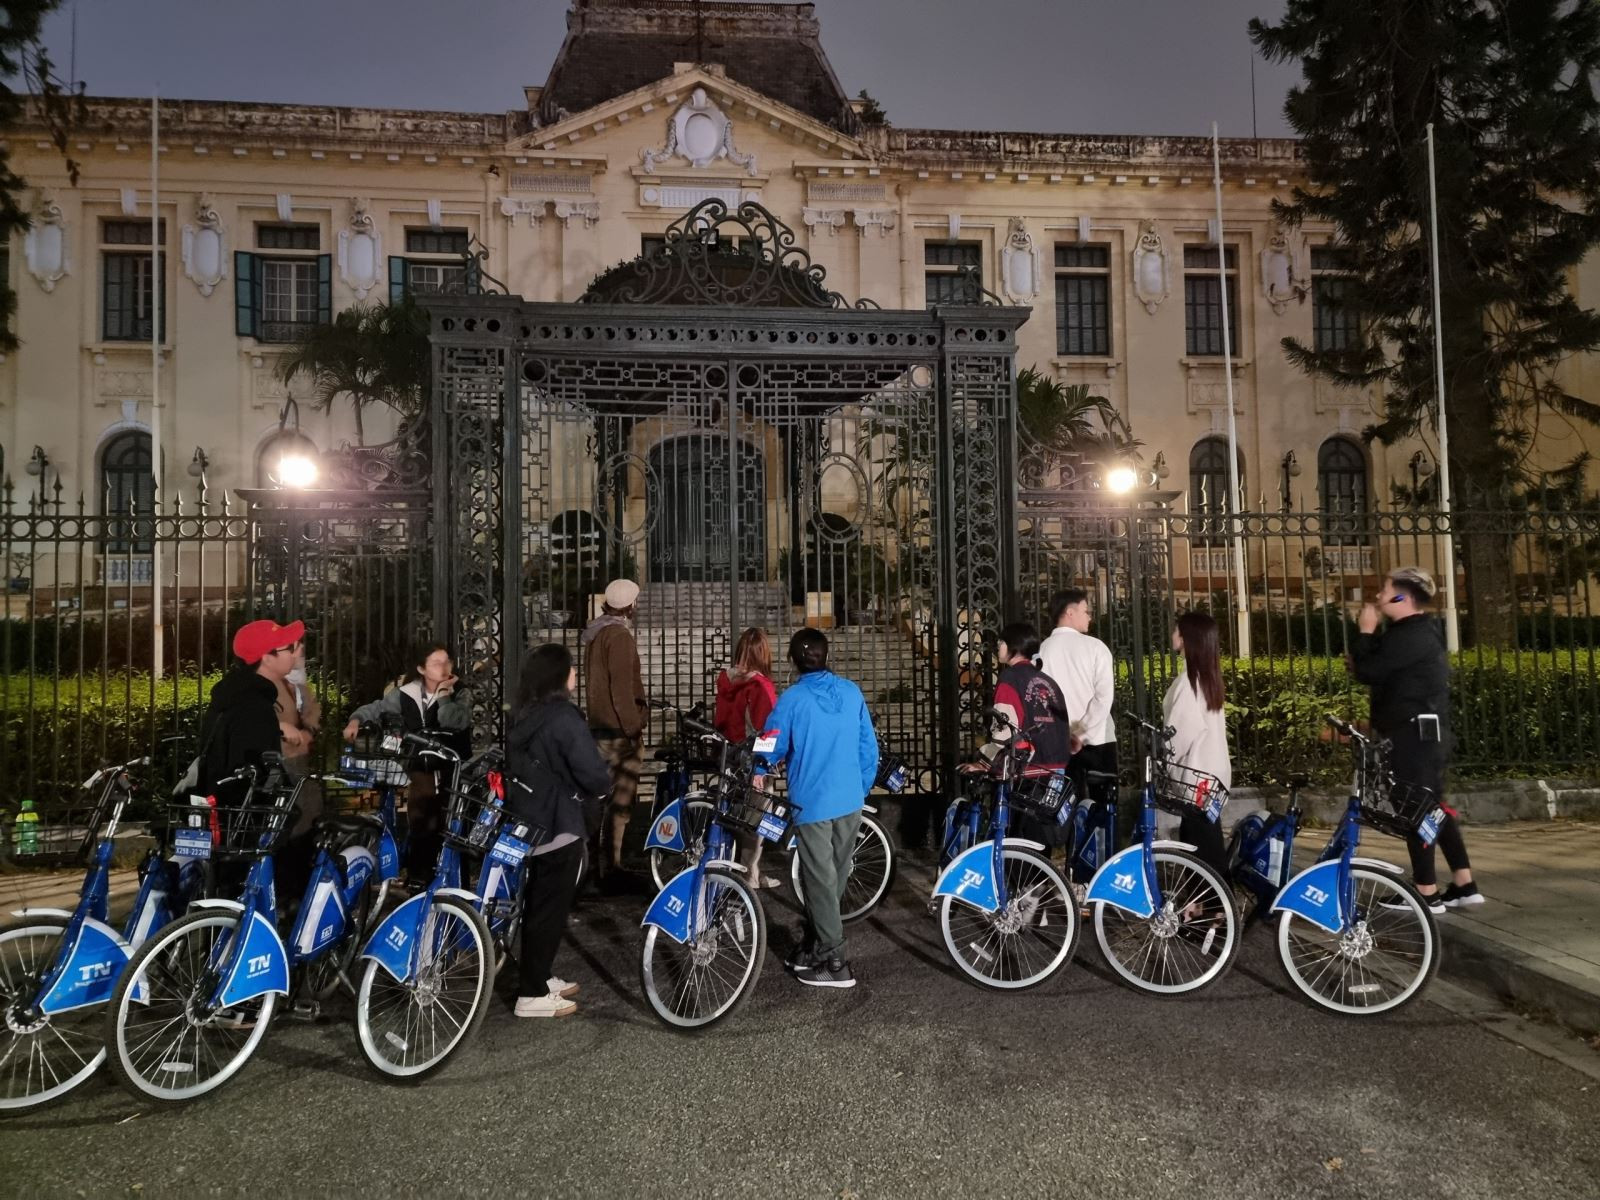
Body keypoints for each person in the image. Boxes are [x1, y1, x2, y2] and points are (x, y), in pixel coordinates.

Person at [754, 629, 878, 989]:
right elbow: (867, 745)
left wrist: (760, 769)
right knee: (836, 875)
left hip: (813, 800)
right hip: (850, 797)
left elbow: (771, 742)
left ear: (793, 661)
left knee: (819, 879)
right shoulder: (851, 692)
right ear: (827, 657)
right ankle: (816, 940)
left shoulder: (792, 699)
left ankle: (833, 957)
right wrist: (861, 785)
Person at [1352, 567, 1481, 911]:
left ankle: (1426, 893)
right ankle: (1464, 883)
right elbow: (1376, 667)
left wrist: (1365, 631)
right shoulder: (1410, 632)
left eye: (1385, 590)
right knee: (1434, 807)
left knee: (1416, 808)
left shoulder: (1412, 635)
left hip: (1414, 737)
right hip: (1421, 733)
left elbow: (1368, 670)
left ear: (1402, 598)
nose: (1379, 597)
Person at [504, 643, 612, 1018]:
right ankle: (531, 994)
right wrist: (603, 784)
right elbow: (591, 771)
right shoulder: (564, 718)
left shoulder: (524, 714)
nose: (576, 676)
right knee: (549, 910)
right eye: (571, 669)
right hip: (560, 821)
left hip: (530, 820)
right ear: (559, 676)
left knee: (539, 905)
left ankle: (539, 975)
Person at [195, 619, 309, 896]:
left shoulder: (233, 695)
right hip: (244, 820)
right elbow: (256, 767)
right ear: (267, 658)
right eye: (290, 647)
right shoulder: (254, 705)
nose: (296, 652)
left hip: (220, 811)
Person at [341, 643, 472, 882]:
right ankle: (419, 875)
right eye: (436, 663)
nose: (443, 668)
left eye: (447, 662)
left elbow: (454, 721)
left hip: (451, 766)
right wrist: (356, 720)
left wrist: (443, 696)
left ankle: (448, 875)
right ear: (422, 668)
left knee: (448, 823)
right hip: (419, 765)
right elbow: (377, 709)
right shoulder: (405, 693)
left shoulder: (460, 692)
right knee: (422, 819)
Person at [977, 622, 1072, 847]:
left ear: (1014, 647)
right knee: (1040, 835)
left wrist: (985, 762)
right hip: (1056, 766)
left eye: (1001, 642)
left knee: (1018, 837)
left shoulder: (1010, 679)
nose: (998, 646)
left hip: (1027, 769)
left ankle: (1016, 878)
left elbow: (1004, 728)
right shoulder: (1048, 681)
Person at [581, 579, 647, 881]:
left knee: (598, 798)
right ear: (630, 605)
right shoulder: (618, 637)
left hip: (598, 726)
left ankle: (593, 864)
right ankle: (613, 866)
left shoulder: (596, 634)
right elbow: (621, 689)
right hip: (619, 731)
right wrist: (634, 728)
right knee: (620, 802)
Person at [1161, 612, 1231, 875]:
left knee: (1203, 845)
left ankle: (1216, 907)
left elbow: (1177, 733)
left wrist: (1164, 755)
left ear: (1186, 638)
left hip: (1196, 775)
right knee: (1201, 838)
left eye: (1176, 630)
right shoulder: (1207, 679)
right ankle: (1203, 905)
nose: (1173, 635)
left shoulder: (1189, 683)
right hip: (1212, 772)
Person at [1038, 589, 1118, 815]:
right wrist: (1081, 733)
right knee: (1104, 810)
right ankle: (1103, 850)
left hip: (1059, 744)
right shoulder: (1095, 647)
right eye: (1086, 611)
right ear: (1070, 612)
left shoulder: (1043, 651)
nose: (1089, 616)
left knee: (1066, 809)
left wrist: (1066, 734)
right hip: (1098, 740)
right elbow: (1104, 697)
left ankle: (1069, 848)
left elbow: (1041, 701)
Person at [714, 627, 781, 889]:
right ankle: (750, 875)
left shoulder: (725, 680)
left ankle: (735, 870)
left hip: (728, 755)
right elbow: (768, 728)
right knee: (756, 819)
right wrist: (766, 765)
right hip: (753, 759)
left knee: (733, 816)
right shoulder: (760, 685)